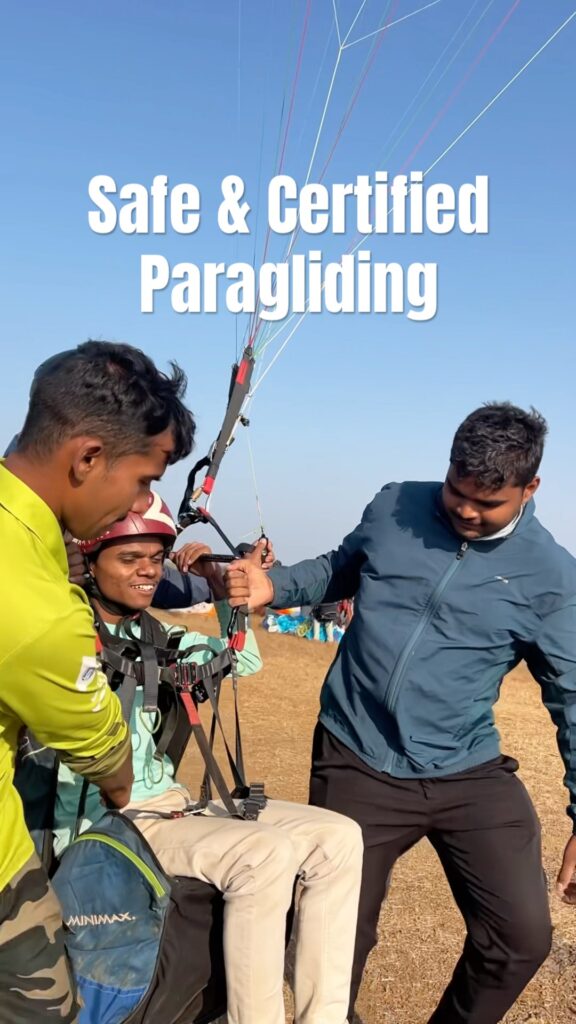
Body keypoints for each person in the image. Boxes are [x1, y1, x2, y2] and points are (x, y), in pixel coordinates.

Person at [226, 402, 576, 1024]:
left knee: (521, 937)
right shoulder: (395, 504)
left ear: (531, 489)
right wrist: (273, 587)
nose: (465, 510)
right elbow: (338, 569)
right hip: (357, 754)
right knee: (329, 940)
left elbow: (572, 698)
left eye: (487, 503)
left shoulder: (551, 577)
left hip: (466, 767)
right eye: (456, 490)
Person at [56, 493, 363, 1024]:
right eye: (129, 558)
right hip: (108, 820)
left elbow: (239, 659)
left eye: (156, 559)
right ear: (88, 561)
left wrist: (223, 590)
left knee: (337, 838)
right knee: (262, 853)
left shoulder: (155, 634)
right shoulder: (65, 634)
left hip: (168, 805)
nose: (148, 571)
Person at [0, 340, 195, 1024]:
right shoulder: (38, 603)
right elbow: (108, 760)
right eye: (143, 480)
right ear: (87, 458)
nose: (141, 501)